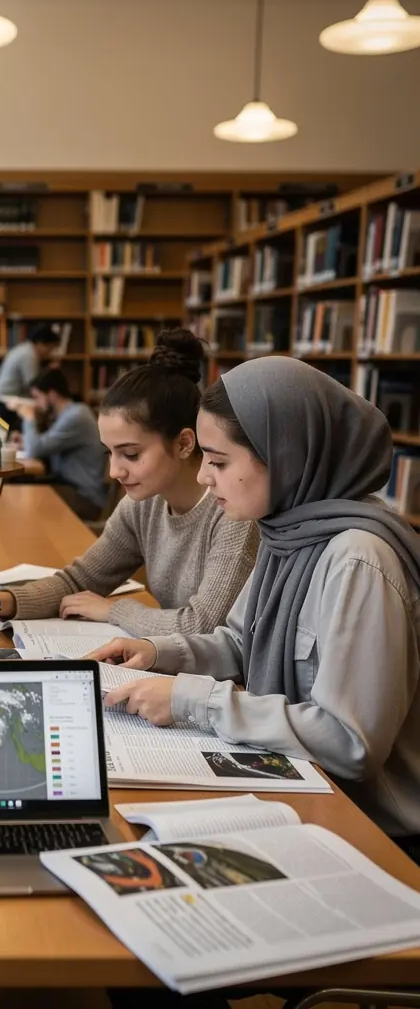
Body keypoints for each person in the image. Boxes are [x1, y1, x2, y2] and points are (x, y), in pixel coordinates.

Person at [92, 356, 420, 857]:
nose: (202, 476)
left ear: (284, 455)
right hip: (307, 787)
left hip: (375, 829)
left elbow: (349, 743)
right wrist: (157, 652)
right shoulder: (287, 528)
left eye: (219, 461)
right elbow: (241, 642)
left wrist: (191, 701)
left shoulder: (358, 559)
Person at [0, 329, 259, 645]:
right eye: (109, 453)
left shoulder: (233, 513)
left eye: (131, 454)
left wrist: (114, 610)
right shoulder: (143, 505)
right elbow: (78, 581)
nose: (114, 471)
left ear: (185, 444)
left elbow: (202, 628)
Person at [17, 367, 106, 519]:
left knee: (25, 498)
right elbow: (43, 445)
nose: (36, 404)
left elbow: (35, 450)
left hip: (84, 497)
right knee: (21, 488)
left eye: (38, 397)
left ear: (52, 395)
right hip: (69, 487)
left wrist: (29, 418)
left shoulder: (76, 416)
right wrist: (25, 441)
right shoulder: (67, 414)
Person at [0, 323, 61, 431]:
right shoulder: (30, 355)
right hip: (5, 403)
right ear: (41, 343)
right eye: (50, 348)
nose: (50, 353)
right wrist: (50, 371)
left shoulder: (23, 349)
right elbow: (34, 386)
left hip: (0, 399)